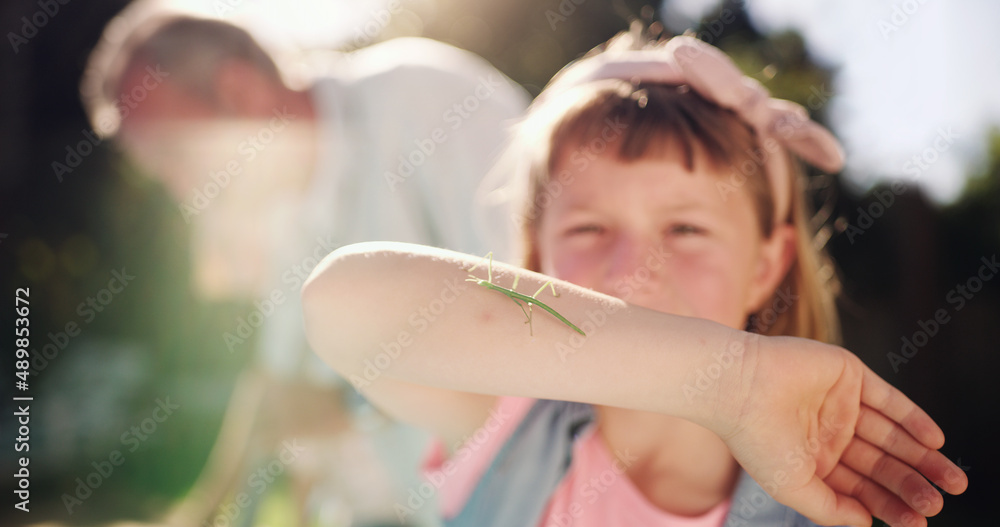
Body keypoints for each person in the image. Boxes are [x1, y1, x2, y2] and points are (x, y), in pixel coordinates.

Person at [300, 31, 968, 527]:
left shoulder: (809, 502)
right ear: (534, 260)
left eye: (686, 231)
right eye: (589, 229)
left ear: (766, 265)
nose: (633, 270)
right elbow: (341, 302)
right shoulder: (503, 425)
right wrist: (736, 381)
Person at [80, 10, 527, 526]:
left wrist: (351, 404)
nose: (185, 194)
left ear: (239, 90)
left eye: (175, 156)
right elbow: (279, 393)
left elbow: (541, 312)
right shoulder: (276, 216)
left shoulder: (429, 104)